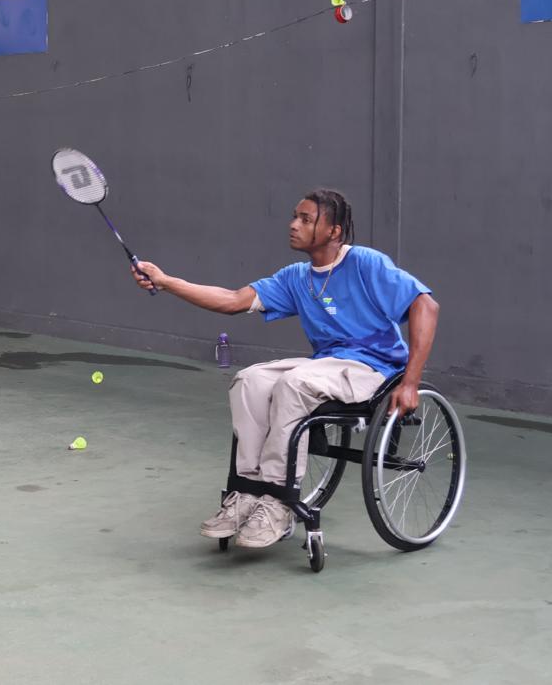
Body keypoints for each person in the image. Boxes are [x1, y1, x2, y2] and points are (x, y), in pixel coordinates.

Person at [131, 189, 439, 548]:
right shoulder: (296, 277)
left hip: (374, 368)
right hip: (326, 365)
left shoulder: (366, 264)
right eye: (295, 216)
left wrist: (412, 381)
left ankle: (279, 501)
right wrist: (167, 282)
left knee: (295, 383)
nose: (293, 225)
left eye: (306, 219)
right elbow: (233, 301)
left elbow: (425, 306)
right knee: (250, 380)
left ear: (334, 231)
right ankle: (247, 492)